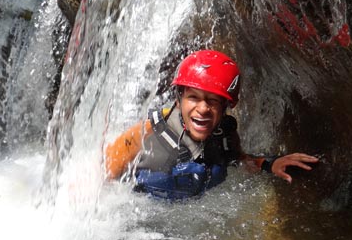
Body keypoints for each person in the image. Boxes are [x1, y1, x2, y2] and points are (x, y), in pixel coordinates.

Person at [104, 49, 318, 200]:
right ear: (179, 100)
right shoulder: (149, 132)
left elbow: (238, 159)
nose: (203, 108)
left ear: (226, 106)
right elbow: (103, 173)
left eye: (213, 101)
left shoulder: (224, 133)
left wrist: (269, 165)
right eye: (194, 98)